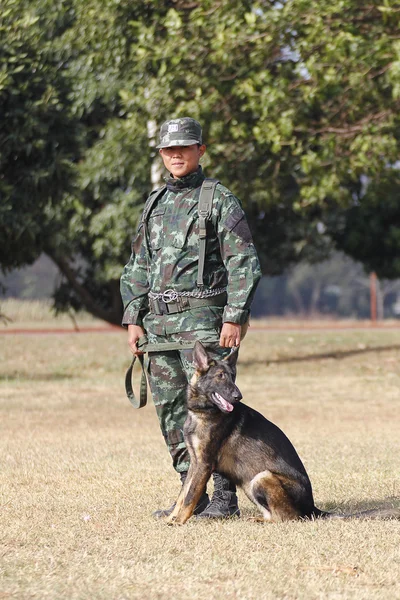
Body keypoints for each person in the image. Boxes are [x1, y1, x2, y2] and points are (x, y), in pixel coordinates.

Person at [120, 117, 262, 518]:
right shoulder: (154, 203)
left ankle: (223, 498)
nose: (176, 155)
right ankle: (191, 492)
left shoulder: (219, 200)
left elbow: (244, 262)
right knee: (170, 411)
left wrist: (234, 316)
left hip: (204, 326)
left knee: (215, 411)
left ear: (201, 150)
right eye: (169, 149)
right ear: (162, 154)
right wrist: (134, 318)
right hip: (160, 330)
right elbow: (137, 265)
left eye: (184, 147)